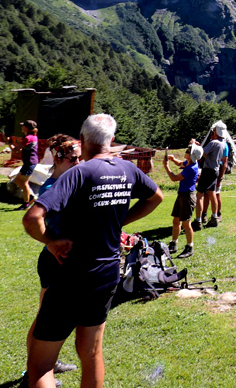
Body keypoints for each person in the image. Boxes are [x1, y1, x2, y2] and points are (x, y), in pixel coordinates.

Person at [22, 113, 162, 388]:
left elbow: (32, 217)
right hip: (107, 273)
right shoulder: (128, 170)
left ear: (83, 140)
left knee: (40, 365)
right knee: (91, 351)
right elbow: (156, 197)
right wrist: (122, 219)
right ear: (111, 140)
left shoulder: (79, 173)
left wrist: (50, 241)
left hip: (71, 272)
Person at [26, 135, 82, 379]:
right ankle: (34, 371)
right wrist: (51, 242)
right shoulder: (53, 186)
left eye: (81, 157)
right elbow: (38, 220)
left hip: (62, 259)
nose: (79, 163)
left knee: (52, 320)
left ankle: (49, 362)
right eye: (73, 158)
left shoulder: (68, 181)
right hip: (53, 261)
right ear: (58, 159)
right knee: (44, 320)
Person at [163, 143, 202, 258]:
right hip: (182, 195)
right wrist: (173, 159)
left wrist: (166, 166)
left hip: (187, 197)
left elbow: (174, 178)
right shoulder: (189, 162)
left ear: (191, 155)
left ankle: (190, 247)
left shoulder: (191, 168)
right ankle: (174, 243)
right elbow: (180, 163)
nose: (186, 151)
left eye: (188, 150)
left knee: (186, 223)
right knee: (176, 221)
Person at [193, 121, 227, 230]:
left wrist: (195, 145)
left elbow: (203, 153)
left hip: (208, 170)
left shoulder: (214, 142)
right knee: (213, 194)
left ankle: (198, 220)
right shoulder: (223, 143)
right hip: (216, 170)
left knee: (199, 195)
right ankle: (214, 217)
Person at [12, 120, 39, 209]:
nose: (21, 127)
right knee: (17, 180)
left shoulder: (28, 138)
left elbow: (15, 150)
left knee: (24, 183)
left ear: (26, 127)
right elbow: (21, 149)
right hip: (29, 162)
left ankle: (26, 203)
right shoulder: (32, 137)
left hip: (30, 163)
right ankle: (30, 197)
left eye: (23, 125)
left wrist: (9, 143)